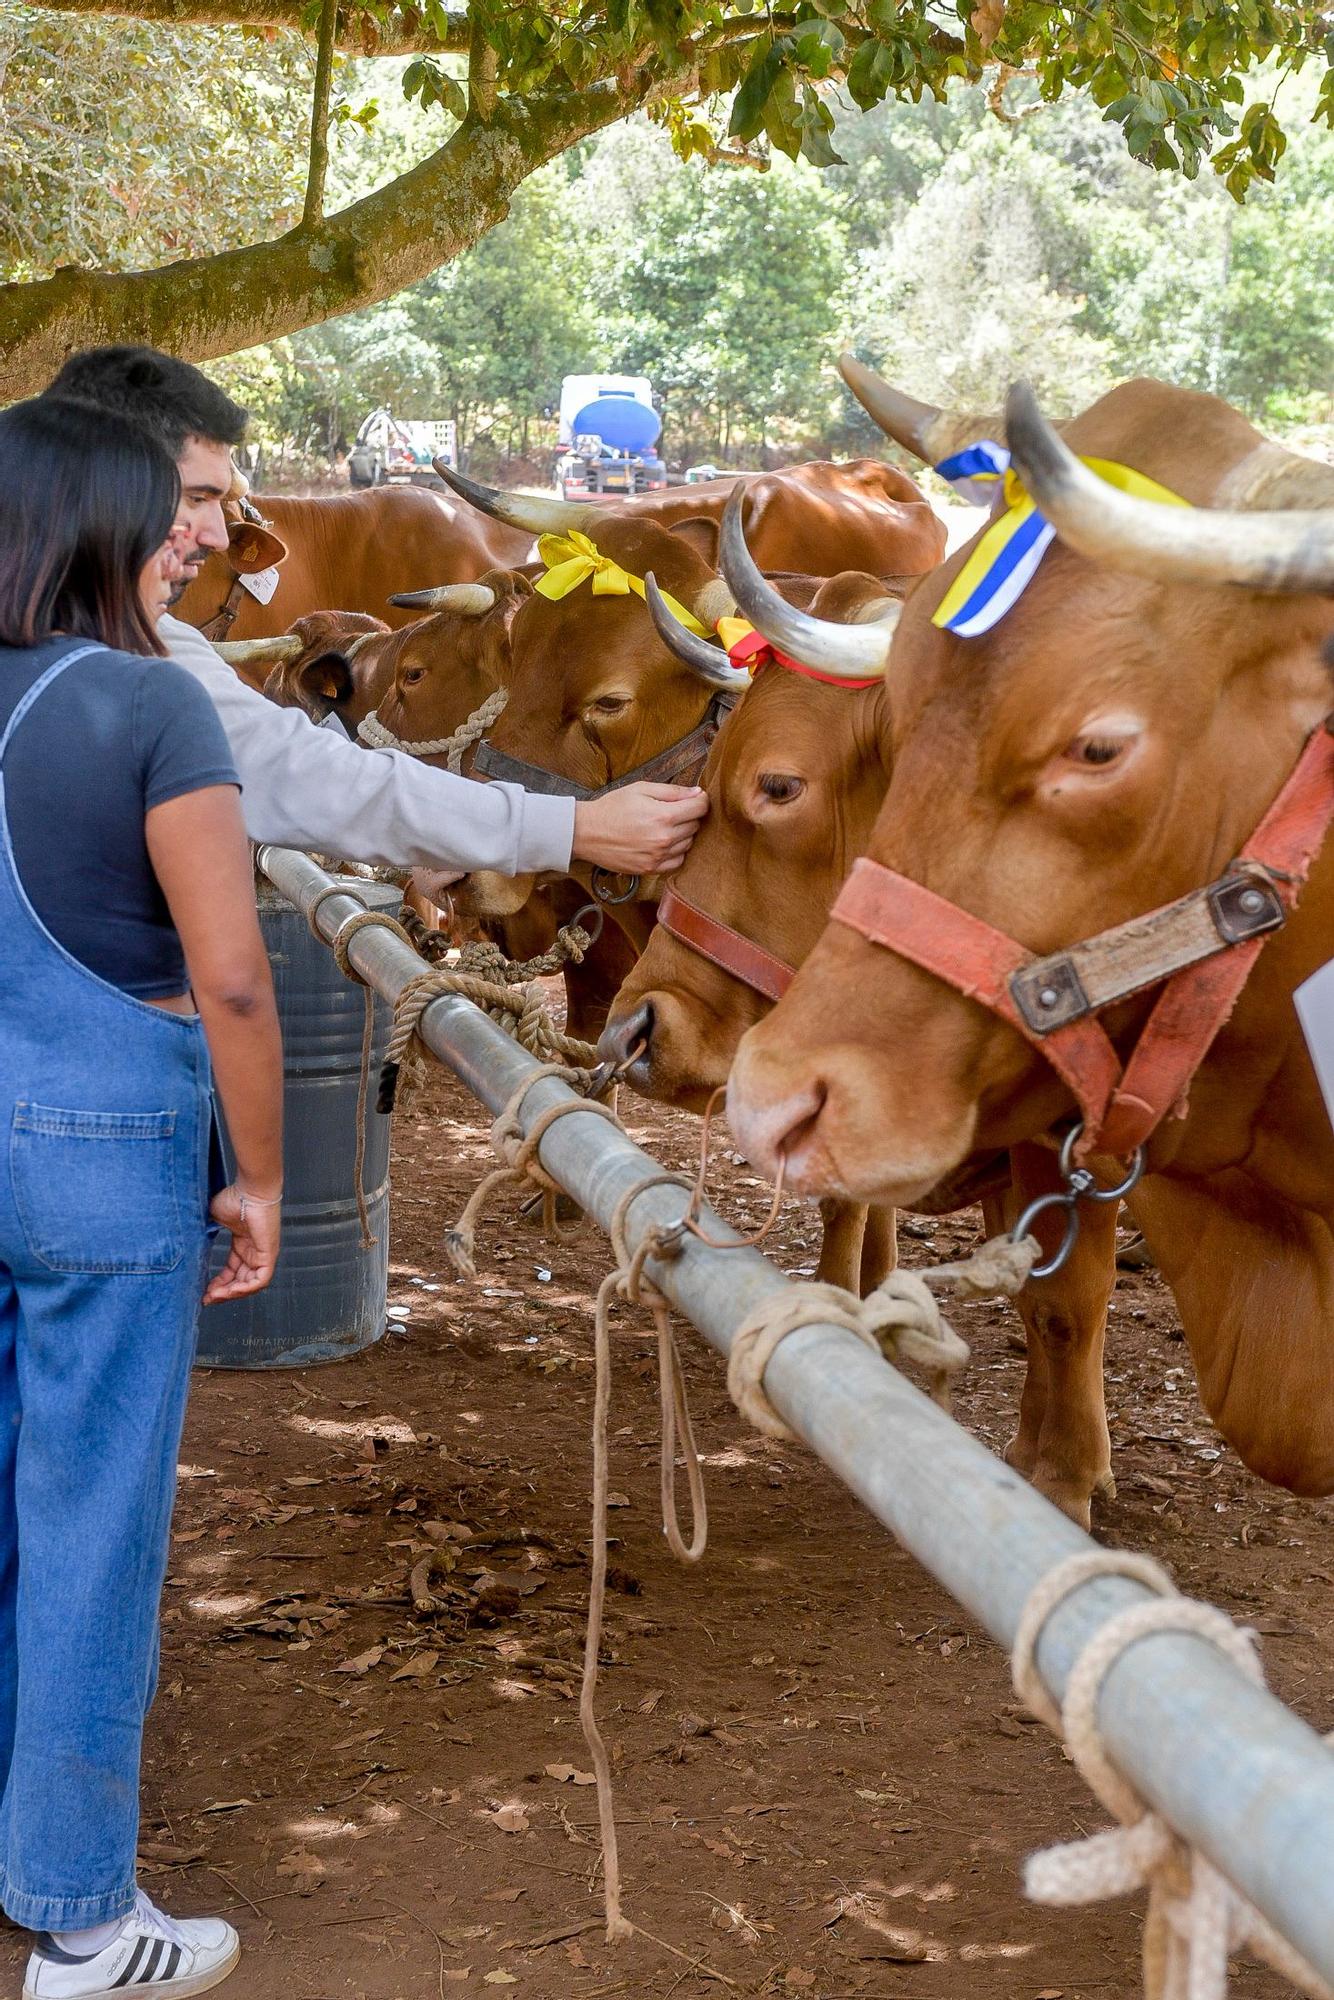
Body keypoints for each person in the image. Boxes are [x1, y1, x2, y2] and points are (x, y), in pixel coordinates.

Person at [0, 396, 281, 1996]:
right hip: (100, 1152)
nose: (197, 534)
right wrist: (262, 1175)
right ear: (105, 527)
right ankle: (84, 1921)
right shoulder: (153, 708)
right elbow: (234, 983)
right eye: (167, 511)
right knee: (93, 1528)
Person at [43, 347, 710, 884]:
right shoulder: (133, 652)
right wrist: (580, 829)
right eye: (195, 499)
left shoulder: (75, 625)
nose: (218, 537)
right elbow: (303, 778)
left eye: (221, 505)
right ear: (111, 487)